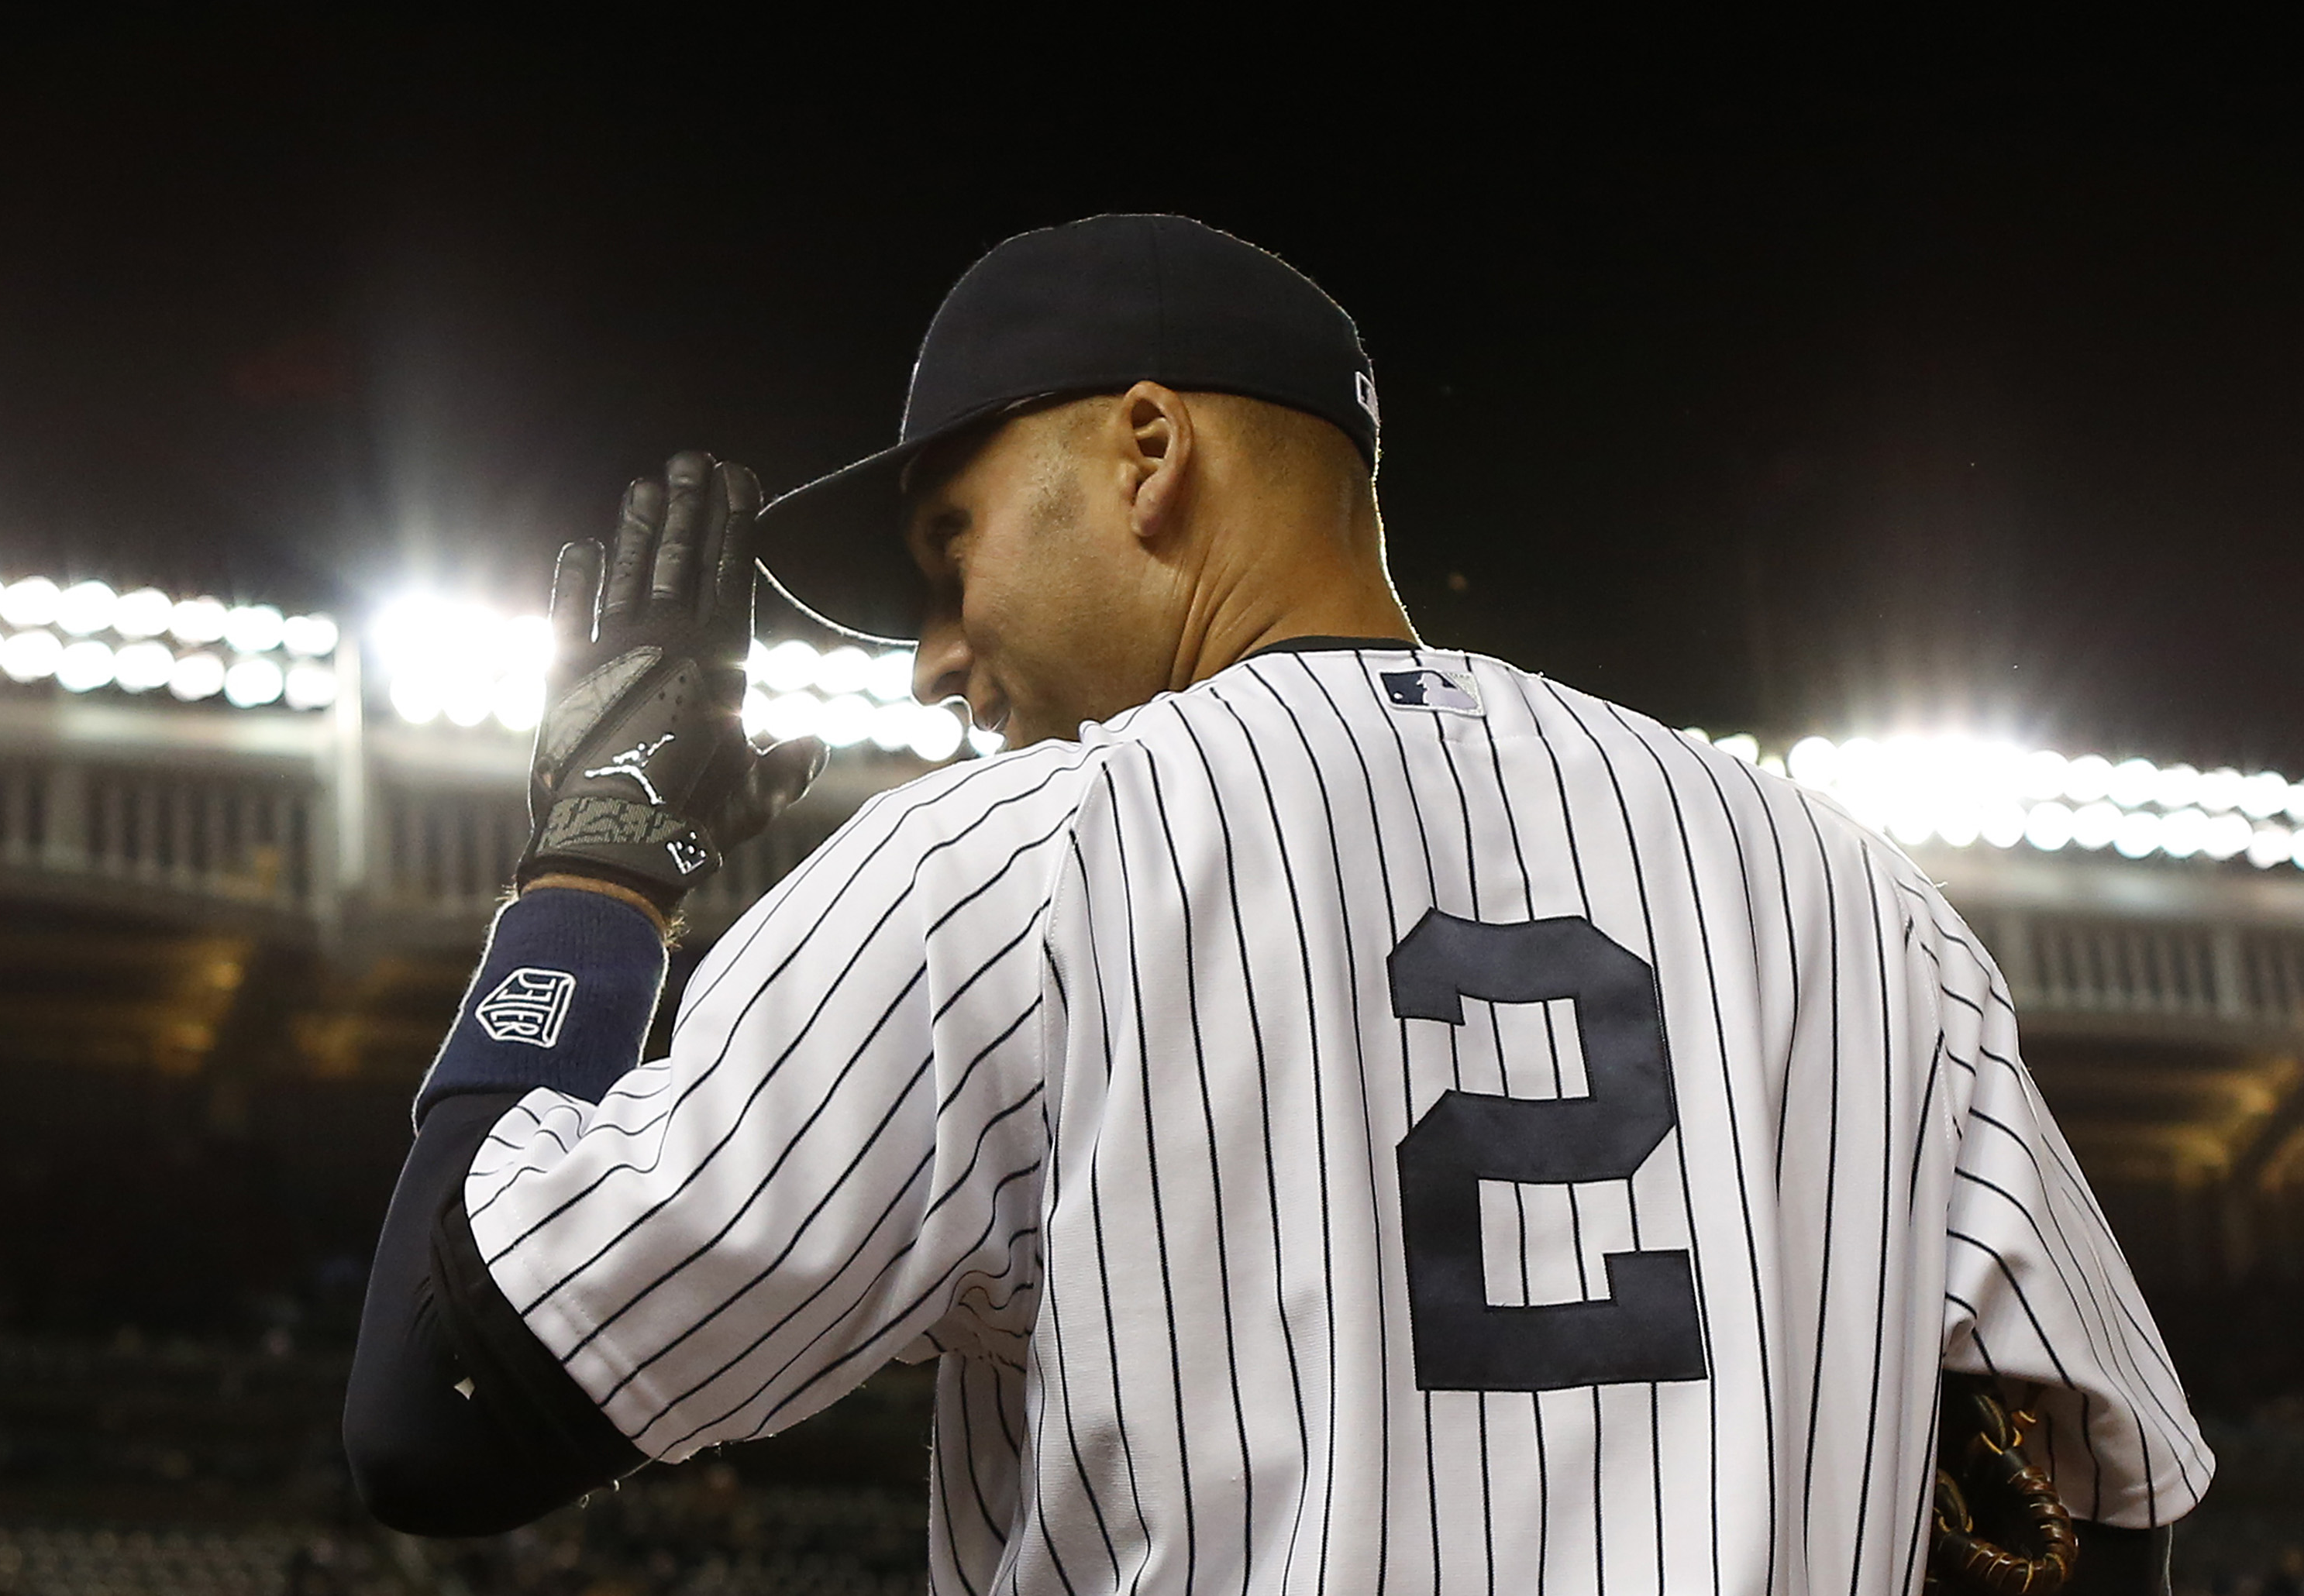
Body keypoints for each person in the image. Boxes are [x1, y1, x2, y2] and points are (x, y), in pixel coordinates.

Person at [343, 214, 2210, 1593]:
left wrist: (597, 864)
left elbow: (440, 1395)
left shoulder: (1018, 870)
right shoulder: (1852, 895)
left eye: (947, 546)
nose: (930, 660)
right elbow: (2081, 1522)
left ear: (1147, 453)